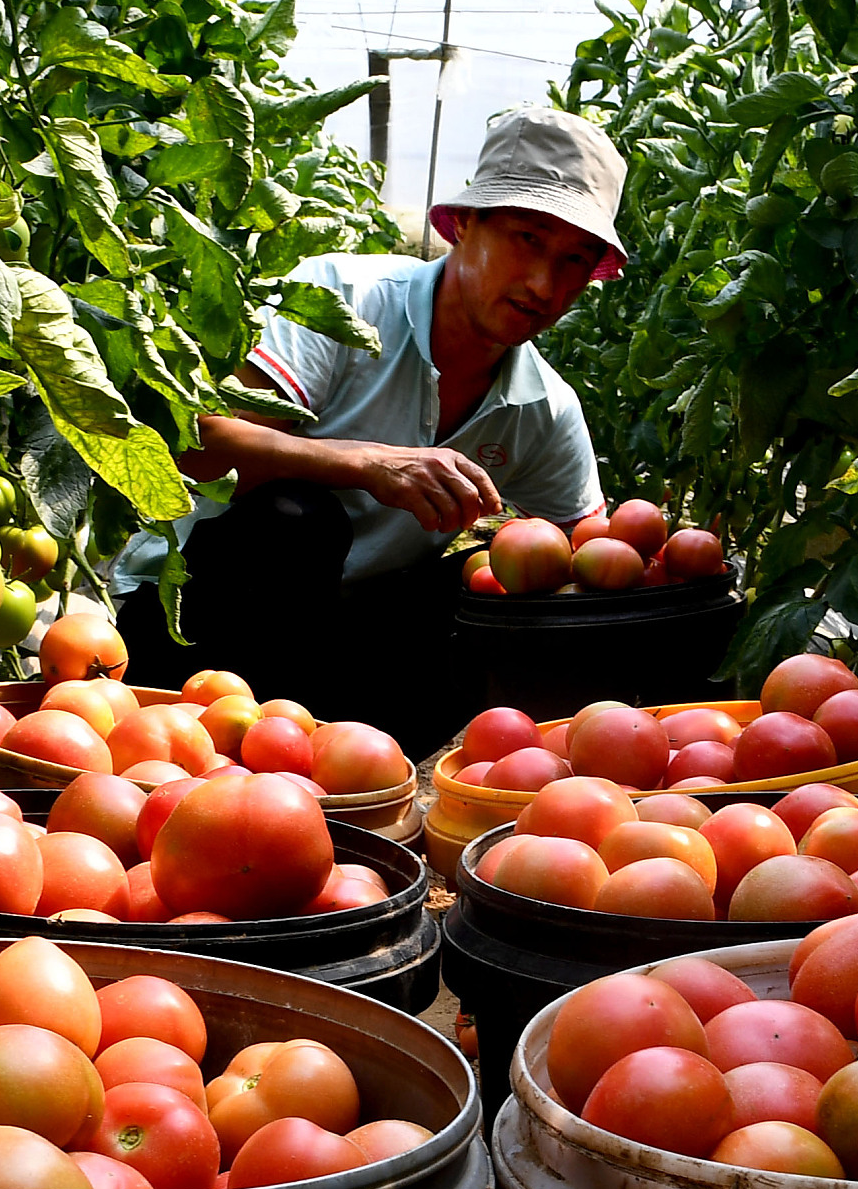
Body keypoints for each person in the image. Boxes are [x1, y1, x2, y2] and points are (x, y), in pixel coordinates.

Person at [111, 107, 626, 754]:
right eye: (526, 238)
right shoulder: (344, 300)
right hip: (189, 625)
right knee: (295, 518)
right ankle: (252, 769)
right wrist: (363, 463)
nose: (544, 285)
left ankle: (357, 782)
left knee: (470, 587)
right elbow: (197, 450)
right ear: (463, 224)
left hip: (337, 645)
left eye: (575, 260)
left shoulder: (544, 408)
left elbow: (591, 562)